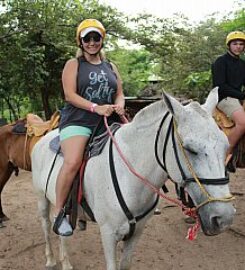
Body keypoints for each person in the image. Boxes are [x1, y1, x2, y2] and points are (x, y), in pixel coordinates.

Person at [53, 19, 125, 236]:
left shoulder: (111, 66)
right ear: (81, 41)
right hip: (79, 121)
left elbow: (119, 92)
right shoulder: (73, 64)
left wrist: (119, 104)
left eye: (96, 38)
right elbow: (69, 95)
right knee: (73, 161)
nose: (92, 42)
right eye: (87, 38)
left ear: (102, 40)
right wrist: (96, 108)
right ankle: (59, 214)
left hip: (109, 120)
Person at [212, 31, 245, 168]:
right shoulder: (220, 62)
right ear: (229, 46)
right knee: (243, 123)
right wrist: (241, 95)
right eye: (235, 44)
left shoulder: (243, 64)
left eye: (241, 44)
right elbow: (220, 86)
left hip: (238, 97)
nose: (238, 47)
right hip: (224, 98)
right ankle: (227, 152)